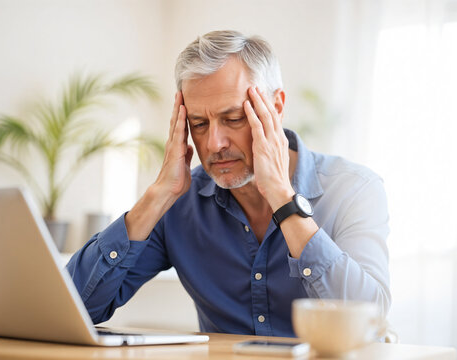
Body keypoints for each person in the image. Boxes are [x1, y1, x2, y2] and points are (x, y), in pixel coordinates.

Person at [67, 30, 390, 337]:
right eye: (199, 123)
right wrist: (158, 196)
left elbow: (369, 320)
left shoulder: (352, 190)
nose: (214, 143)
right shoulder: (180, 204)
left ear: (275, 108)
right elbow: (73, 308)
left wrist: (283, 198)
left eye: (233, 119)